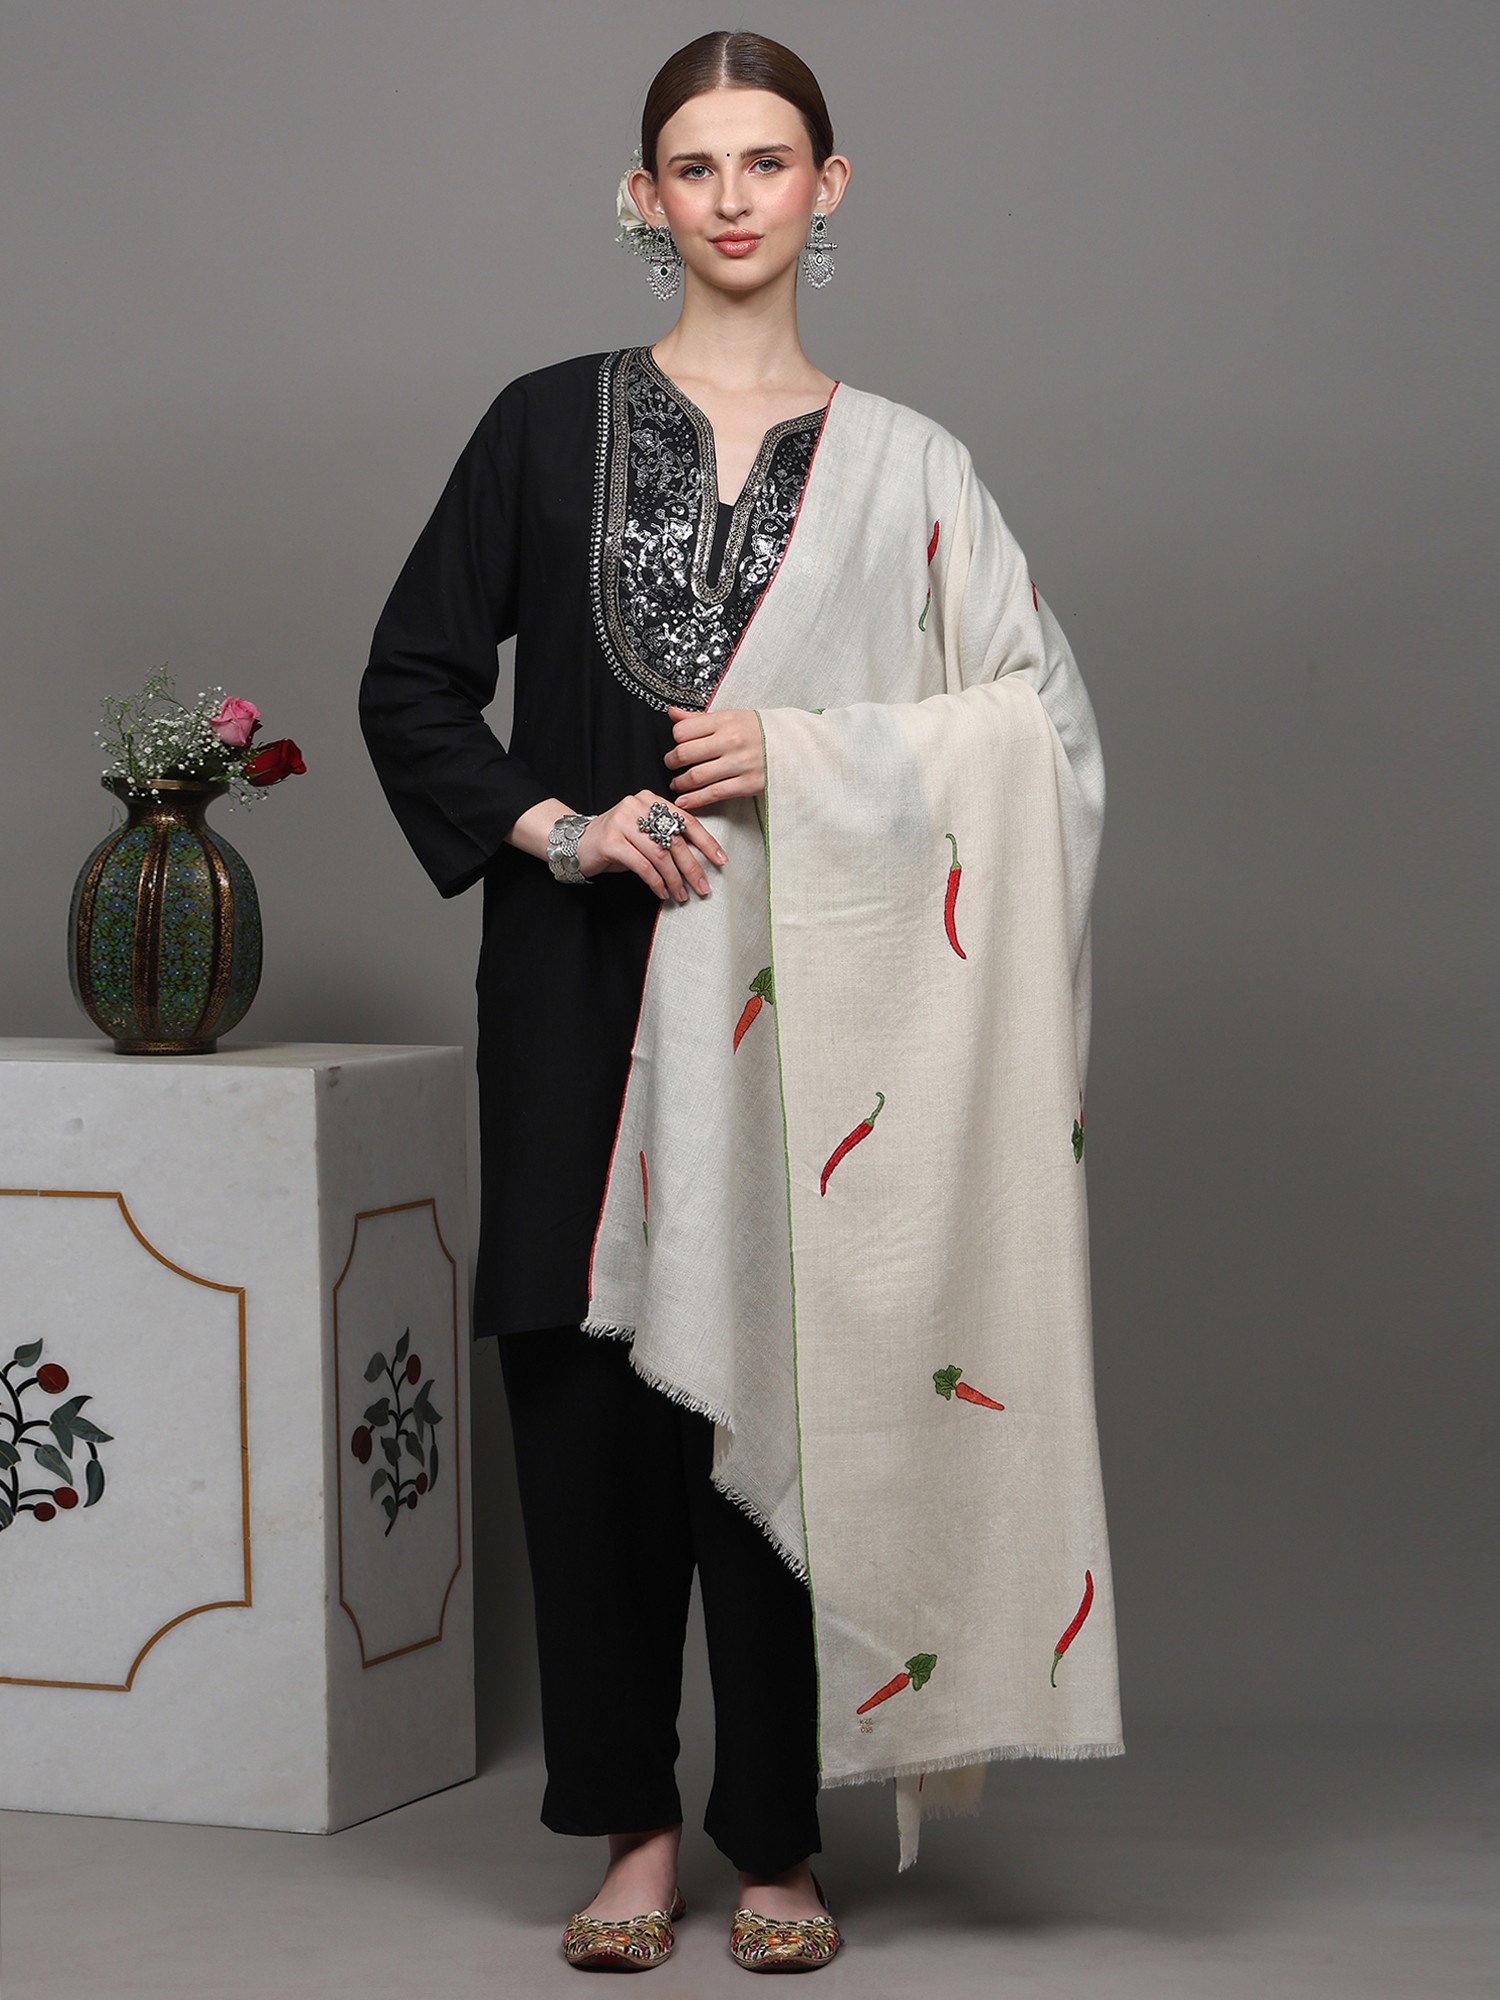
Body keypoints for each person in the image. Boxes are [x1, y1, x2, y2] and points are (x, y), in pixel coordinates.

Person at [362, 27, 1121, 1979]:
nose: (730, 197)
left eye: (766, 161)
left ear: (826, 187)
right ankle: (629, 1831)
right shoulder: (541, 428)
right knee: (584, 1410)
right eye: (693, 165)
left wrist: (806, 751)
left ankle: (777, 1838)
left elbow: (1041, 729)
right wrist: (559, 827)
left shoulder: (911, 467)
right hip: (573, 993)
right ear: (643, 196)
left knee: (783, 1398)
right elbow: (413, 682)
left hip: (805, 1023)